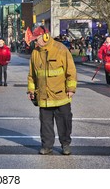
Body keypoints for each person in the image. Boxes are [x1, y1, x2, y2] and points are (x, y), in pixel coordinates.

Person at [27, 26, 77, 155]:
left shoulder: (61, 49)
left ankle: (65, 145)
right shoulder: (35, 53)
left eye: (36, 39)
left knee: (64, 123)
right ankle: (47, 146)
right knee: (45, 124)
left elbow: (70, 70)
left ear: (45, 36)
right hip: (43, 96)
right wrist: (31, 90)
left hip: (61, 95)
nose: (35, 42)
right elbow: (32, 75)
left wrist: (71, 89)